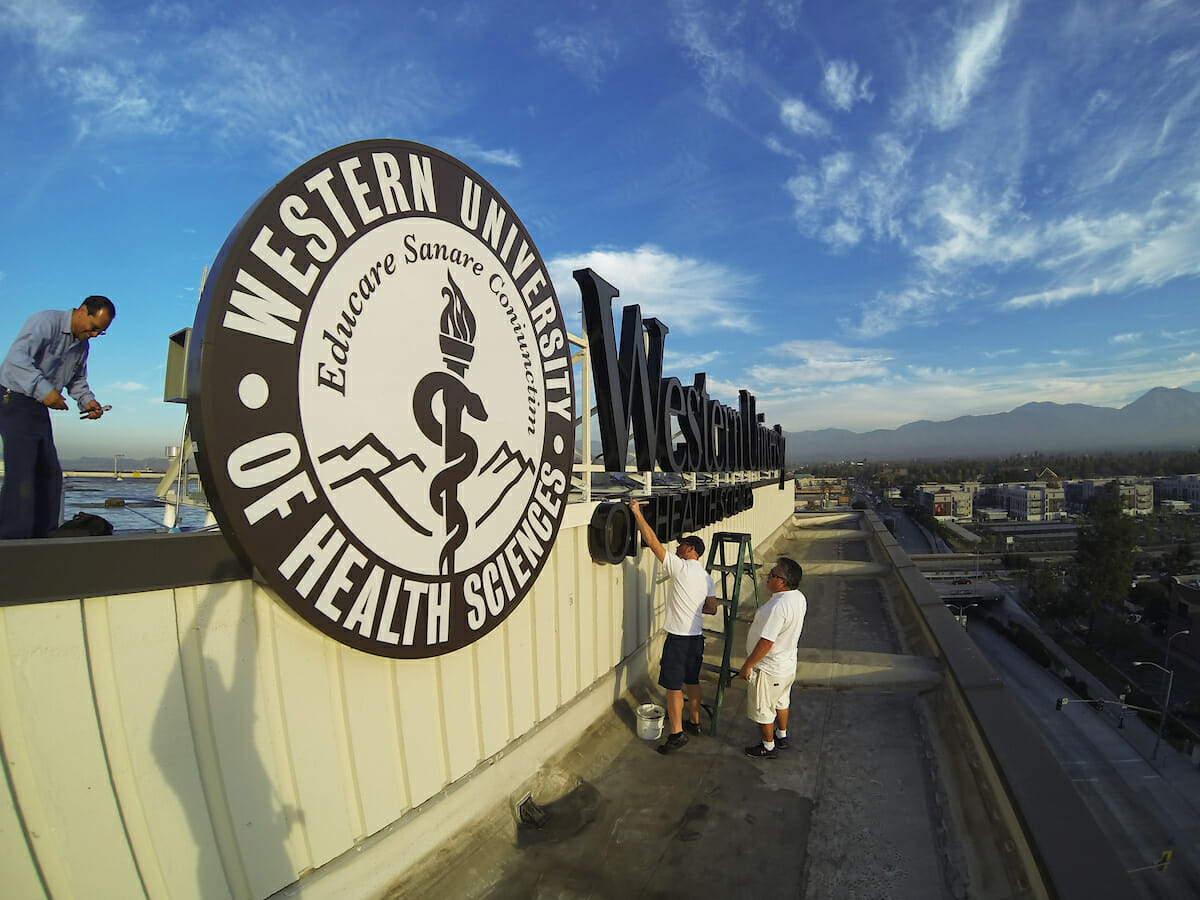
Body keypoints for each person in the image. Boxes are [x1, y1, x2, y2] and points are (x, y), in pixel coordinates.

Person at [0, 296, 114, 539]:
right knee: (22, 475)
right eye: (94, 328)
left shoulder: (82, 345)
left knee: (50, 475)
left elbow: (76, 381)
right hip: (15, 399)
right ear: (83, 311)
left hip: (38, 407)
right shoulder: (45, 322)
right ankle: (12, 542)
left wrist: (88, 401)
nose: (94, 335)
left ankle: (42, 539)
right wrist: (46, 391)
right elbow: (16, 361)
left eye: (100, 333)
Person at [628, 498, 717, 754]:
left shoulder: (680, 567)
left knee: (673, 688)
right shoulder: (706, 576)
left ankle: (676, 734)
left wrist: (636, 512)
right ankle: (695, 722)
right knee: (693, 681)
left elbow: (653, 542)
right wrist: (693, 605)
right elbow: (711, 608)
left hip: (678, 640)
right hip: (696, 639)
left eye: (681, 545)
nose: (677, 547)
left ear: (690, 549)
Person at [738, 557, 807, 759]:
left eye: (773, 575)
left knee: (764, 710)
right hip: (787, 666)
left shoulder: (777, 608)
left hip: (769, 670)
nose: (768, 578)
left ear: (783, 581)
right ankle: (781, 735)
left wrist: (748, 666)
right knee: (782, 701)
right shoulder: (799, 597)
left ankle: (768, 747)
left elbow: (767, 642)